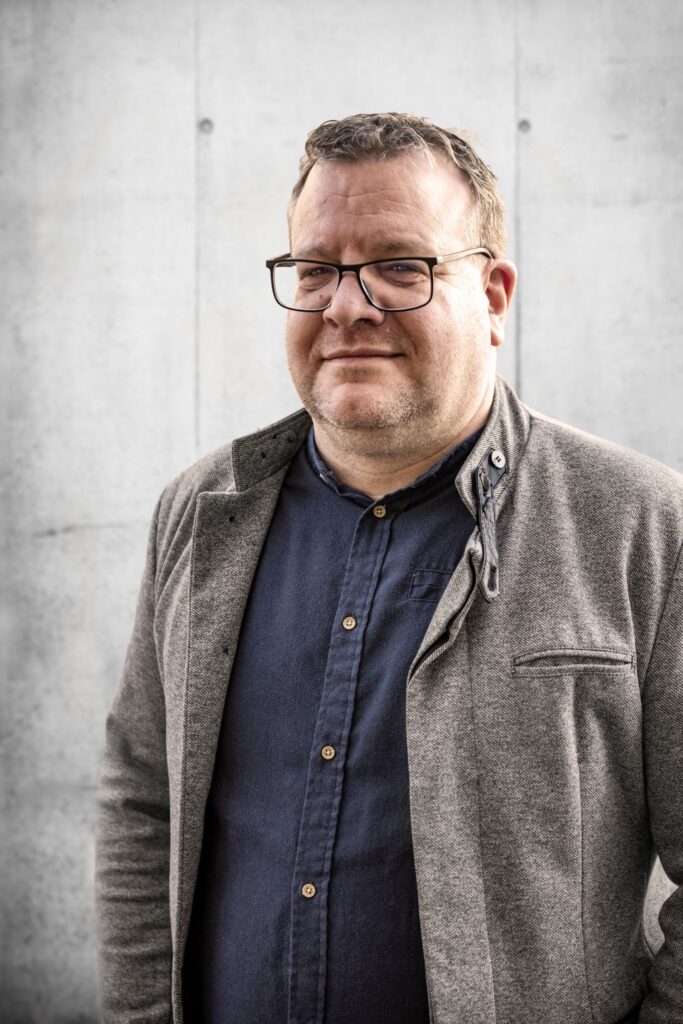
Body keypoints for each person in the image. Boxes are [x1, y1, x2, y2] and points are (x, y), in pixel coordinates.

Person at [95, 112, 683, 1024]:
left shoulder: (639, 525)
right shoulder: (201, 512)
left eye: (400, 266)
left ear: (492, 295)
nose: (346, 306)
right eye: (315, 269)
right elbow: (142, 800)